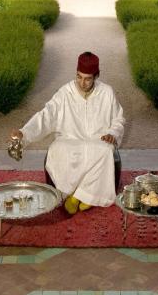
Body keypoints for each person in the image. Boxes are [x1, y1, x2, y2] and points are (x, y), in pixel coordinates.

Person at [9, 51, 124, 215]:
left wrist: (113, 132)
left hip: (97, 140)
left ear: (96, 76)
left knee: (105, 150)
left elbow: (119, 119)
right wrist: (24, 132)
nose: (82, 83)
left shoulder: (107, 92)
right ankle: (85, 196)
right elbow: (47, 115)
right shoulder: (65, 92)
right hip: (70, 138)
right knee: (58, 149)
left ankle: (77, 197)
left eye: (88, 78)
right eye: (79, 77)